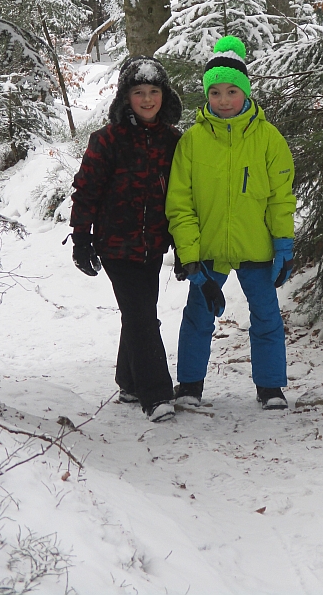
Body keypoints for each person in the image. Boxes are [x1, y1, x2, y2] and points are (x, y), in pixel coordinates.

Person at [166, 36, 296, 410]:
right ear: (207, 95)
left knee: (267, 317)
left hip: (255, 246)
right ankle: (189, 386)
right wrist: (189, 255)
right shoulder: (191, 143)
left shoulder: (269, 139)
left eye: (232, 91)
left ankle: (270, 387)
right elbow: (180, 203)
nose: (223, 100)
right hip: (209, 250)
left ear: (246, 92)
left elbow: (280, 197)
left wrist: (283, 243)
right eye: (216, 92)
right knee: (197, 318)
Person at [68, 58, 182, 423]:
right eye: (138, 93)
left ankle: (129, 381)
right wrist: (81, 239)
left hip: (153, 245)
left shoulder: (174, 141)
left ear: (164, 95)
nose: (147, 100)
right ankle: (156, 393)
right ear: (126, 98)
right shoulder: (107, 140)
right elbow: (85, 192)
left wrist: (183, 248)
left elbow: (183, 199)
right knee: (142, 316)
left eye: (153, 92)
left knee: (139, 314)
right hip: (116, 244)